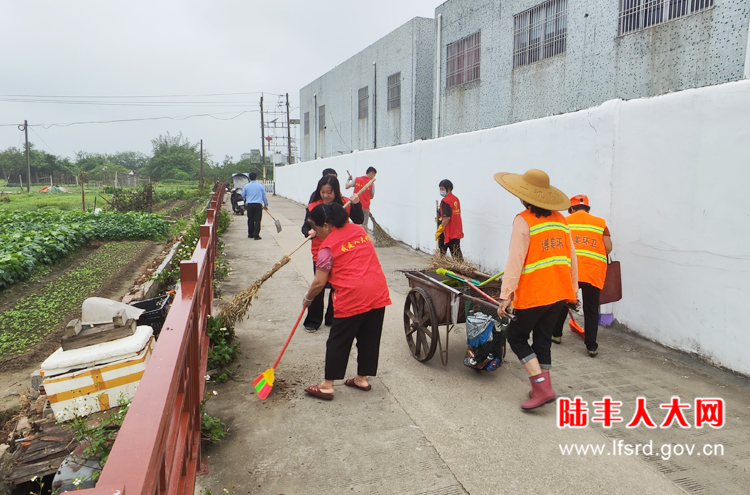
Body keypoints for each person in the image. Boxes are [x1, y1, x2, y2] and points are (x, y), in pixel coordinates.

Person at [494, 169, 578, 410]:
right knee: (542, 340)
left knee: (516, 337)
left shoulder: (524, 220)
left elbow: (515, 260)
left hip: (535, 292)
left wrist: (506, 295)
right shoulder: (561, 220)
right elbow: (571, 257)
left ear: (524, 196)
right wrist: (573, 291)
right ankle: (542, 387)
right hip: (559, 292)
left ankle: (542, 387)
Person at [301, 202, 391, 400]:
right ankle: (362, 379)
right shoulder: (358, 231)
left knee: (338, 340)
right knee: (369, 337)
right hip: (377, 290)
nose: (314, 232)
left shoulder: (326, 248)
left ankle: (327, 385)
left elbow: (319, 283)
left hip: (352, 295)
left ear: (325, 225)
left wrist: (308, 298)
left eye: (315, 228)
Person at [552, 194, 613, 357]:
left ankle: (556, 335)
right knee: (591, 308)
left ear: (571, 209)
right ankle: (591, 346)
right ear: (587, 208)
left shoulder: (564, 221)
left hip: (571, 271)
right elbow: (608, 248)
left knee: (565, 301)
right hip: (593, 272)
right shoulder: (601, 223)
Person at [301, 175, 364, 332]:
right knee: (319, 285)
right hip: (320, 252)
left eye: (329, 192)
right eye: (322, 192)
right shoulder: (313, 207)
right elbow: (304, 227)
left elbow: (358, 219)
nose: (326, 196)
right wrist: (308, 231)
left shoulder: (345, 204)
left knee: (337, 287)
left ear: (335, 192)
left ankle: (332, 317)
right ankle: (313, 320)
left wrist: (356, 204)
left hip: (340, 252)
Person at [435, 179, 463, 260]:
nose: (441, 191)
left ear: (449, 189)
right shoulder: (455, 199)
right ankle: (462, 268)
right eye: (440, 189)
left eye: (443, 189)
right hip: (456, 230)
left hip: (448, 231)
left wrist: (440, 228)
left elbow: (447, 217)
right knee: (457, 253)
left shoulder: (446, 201)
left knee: (442, 252)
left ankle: (441, 266)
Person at [345, 167, 376, 234]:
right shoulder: (372, 184)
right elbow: (372, 197)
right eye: (374, 175)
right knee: (364, 226)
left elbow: (347, 186)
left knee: (355, 224)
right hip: (365, 207)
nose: (373, 177)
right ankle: (363, 240)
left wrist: (348, 180)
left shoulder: (357, 179)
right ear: (371, 173)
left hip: (355, 206)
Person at [241, 172, 268, 239]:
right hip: (258, 205)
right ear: (256, 177)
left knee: (250, 219)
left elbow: (243, 195)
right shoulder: (261, 186)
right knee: (257, 220)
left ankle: (250, 234)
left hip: (249, 205)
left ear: (249, 178)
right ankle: (256, 235)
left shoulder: (246, 186)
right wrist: (266, 205)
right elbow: (264, 196)